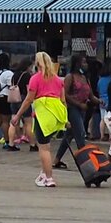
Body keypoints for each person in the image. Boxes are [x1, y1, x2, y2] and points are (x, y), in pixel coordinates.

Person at [28, 52, 73, 187]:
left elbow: (29, 99)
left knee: (44, 148)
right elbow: (63, 101)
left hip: (42, 116)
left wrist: (18, 115)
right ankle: (44, 172)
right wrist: (66, 119)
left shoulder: (35, 79)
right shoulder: (59, 80)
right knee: (47, 146)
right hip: (56, 117)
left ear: (37, 64)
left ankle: (49, 178)